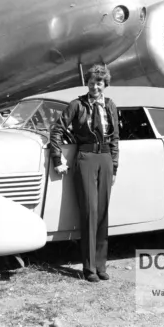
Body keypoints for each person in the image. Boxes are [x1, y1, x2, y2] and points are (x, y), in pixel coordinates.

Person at [49, 64, 119, 282]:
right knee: (89, 211)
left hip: (105, 159)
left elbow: (115, 138)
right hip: (85, 158)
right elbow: (57, 130)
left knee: (103, 213)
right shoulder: (77, 105)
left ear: (105, 84)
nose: (94, 86)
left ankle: (101, 265)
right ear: (87, 84)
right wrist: (56, 157)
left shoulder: (110, 105)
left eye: (98, 83)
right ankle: (89, 269)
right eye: (91, 82)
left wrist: (114, 166)